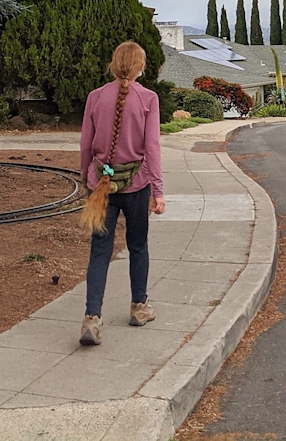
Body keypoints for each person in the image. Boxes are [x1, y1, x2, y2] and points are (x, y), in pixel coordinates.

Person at [77, 41, 166, 346]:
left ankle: (92, 317)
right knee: (138, 246)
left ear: (113, 65)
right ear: (140, 67)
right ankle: (139, 308)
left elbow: (86, 144)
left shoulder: (95, 97)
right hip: (137, 184)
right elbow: (152, 147)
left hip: (100, 183)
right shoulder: (148, 99)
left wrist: (85, 176)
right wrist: (158, 190)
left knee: (100, 251)